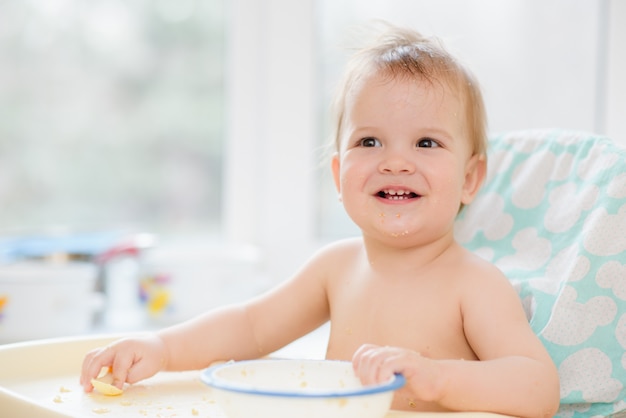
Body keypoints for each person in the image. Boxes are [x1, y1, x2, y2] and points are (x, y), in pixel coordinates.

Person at [81, 22, 560, 417]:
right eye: (369, 142)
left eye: (426, 143)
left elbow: (537, 387)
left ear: (470, 178)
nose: (395, 162)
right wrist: (162, 348)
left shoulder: (473, 284)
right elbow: (250, 327)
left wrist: (439, 378)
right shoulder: (336, 268)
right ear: (338, 172)